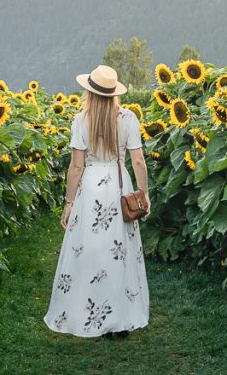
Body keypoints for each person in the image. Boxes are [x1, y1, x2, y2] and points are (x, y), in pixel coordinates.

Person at [43, 65, 151, 339]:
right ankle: (121, 320)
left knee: (91, 251)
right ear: (114, 93)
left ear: (90, 92)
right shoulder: (128, 118)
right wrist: (143, 192)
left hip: (91, 186)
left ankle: (93, 316)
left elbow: (76, 167)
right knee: (120, 250)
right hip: (118, 184)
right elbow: (137, 160)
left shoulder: (82, 120)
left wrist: (68, 202)